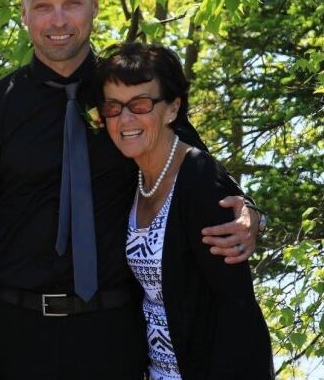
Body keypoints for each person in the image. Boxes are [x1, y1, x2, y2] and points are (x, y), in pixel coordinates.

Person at [0, 0, 263, 380]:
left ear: (95, 5)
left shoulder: (133, 95)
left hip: (117, 335)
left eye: (72, 3)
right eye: (43, 6)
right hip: (17, 336)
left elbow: (194, 166)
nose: (58, 20)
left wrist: (250, 211)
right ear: (24, 14)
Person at [97, 42, 273, 379]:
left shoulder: (198, 180)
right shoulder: (132, 176)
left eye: (141, 103)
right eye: (114, 107)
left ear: (173, 109)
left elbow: (237, 309)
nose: (126, 118)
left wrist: (254, 216)